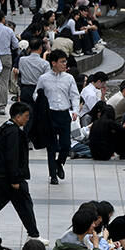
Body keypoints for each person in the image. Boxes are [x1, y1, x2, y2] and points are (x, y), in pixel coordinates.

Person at [0, 102, 43, 239]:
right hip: (10, 177)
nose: (27, 119)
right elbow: (12, 157)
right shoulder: (13, 132)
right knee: (25, 204)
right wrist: (15, 179)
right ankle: (33, 235)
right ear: (17, 116)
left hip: (2, 174)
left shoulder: (8, 128)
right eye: (26, 116)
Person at [35, 50, 80, 185]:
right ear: (53, 63)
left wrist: (76, 110)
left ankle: (59, 163)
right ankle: (53, 174)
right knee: (51, 146)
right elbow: (35, 95)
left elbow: (75, 95)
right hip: (49, 115)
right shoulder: (43, 78)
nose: (65, 64)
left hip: (64, 114)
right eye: (62, 61)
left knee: (65, 145)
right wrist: (41, 101)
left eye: (65, 61)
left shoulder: (69, 78)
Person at [0, 10, 18, 115]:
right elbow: (16, 45)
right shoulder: (9, 31)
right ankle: (2, 106)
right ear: (3, 19)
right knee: (4, 82)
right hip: (6, 57)